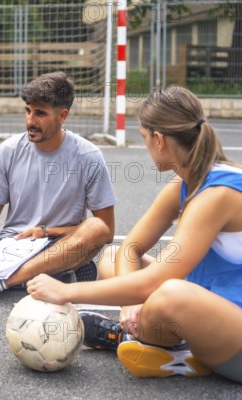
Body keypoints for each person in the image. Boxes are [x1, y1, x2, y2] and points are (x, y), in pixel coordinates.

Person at [27, 86, 242, 383]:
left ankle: (150, 343)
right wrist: (130, 303)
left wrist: (65, 292)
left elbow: (155, 282)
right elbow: (130, 249)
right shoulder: (185, 184)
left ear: (159, 139)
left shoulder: (217, 195)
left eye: (143, 137)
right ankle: (160, 342)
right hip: (216, 306)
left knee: (168, 295)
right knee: (114, 257)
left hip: (234, 334)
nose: (145, 146)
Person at [0, 71, 117, 303]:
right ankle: (51, 274)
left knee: (95, 230)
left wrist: (46, 231)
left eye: (40, 113)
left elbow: (107, 232)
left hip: (56, 246)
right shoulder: (9, 150)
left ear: (62, 115)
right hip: (11, 246)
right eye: (28, 111)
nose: (30, 121)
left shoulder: (89, 156)